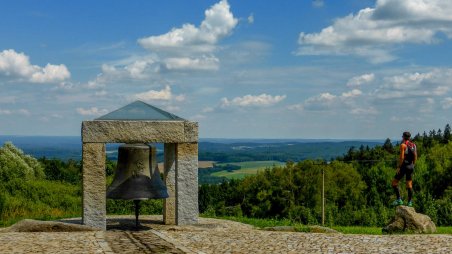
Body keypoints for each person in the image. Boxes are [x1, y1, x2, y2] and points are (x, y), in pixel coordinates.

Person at [391, 131, 417, 207]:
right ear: (409, 138)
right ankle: (409, 202)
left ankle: (399, 200)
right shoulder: (414, 145)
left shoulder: (403, 145)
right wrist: (413, 164)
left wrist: (399, 167)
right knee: (409, 184)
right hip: (411, 166)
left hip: (404, 166)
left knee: (394, 183)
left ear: (403, 137)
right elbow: (415, 156)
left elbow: (402, 157)